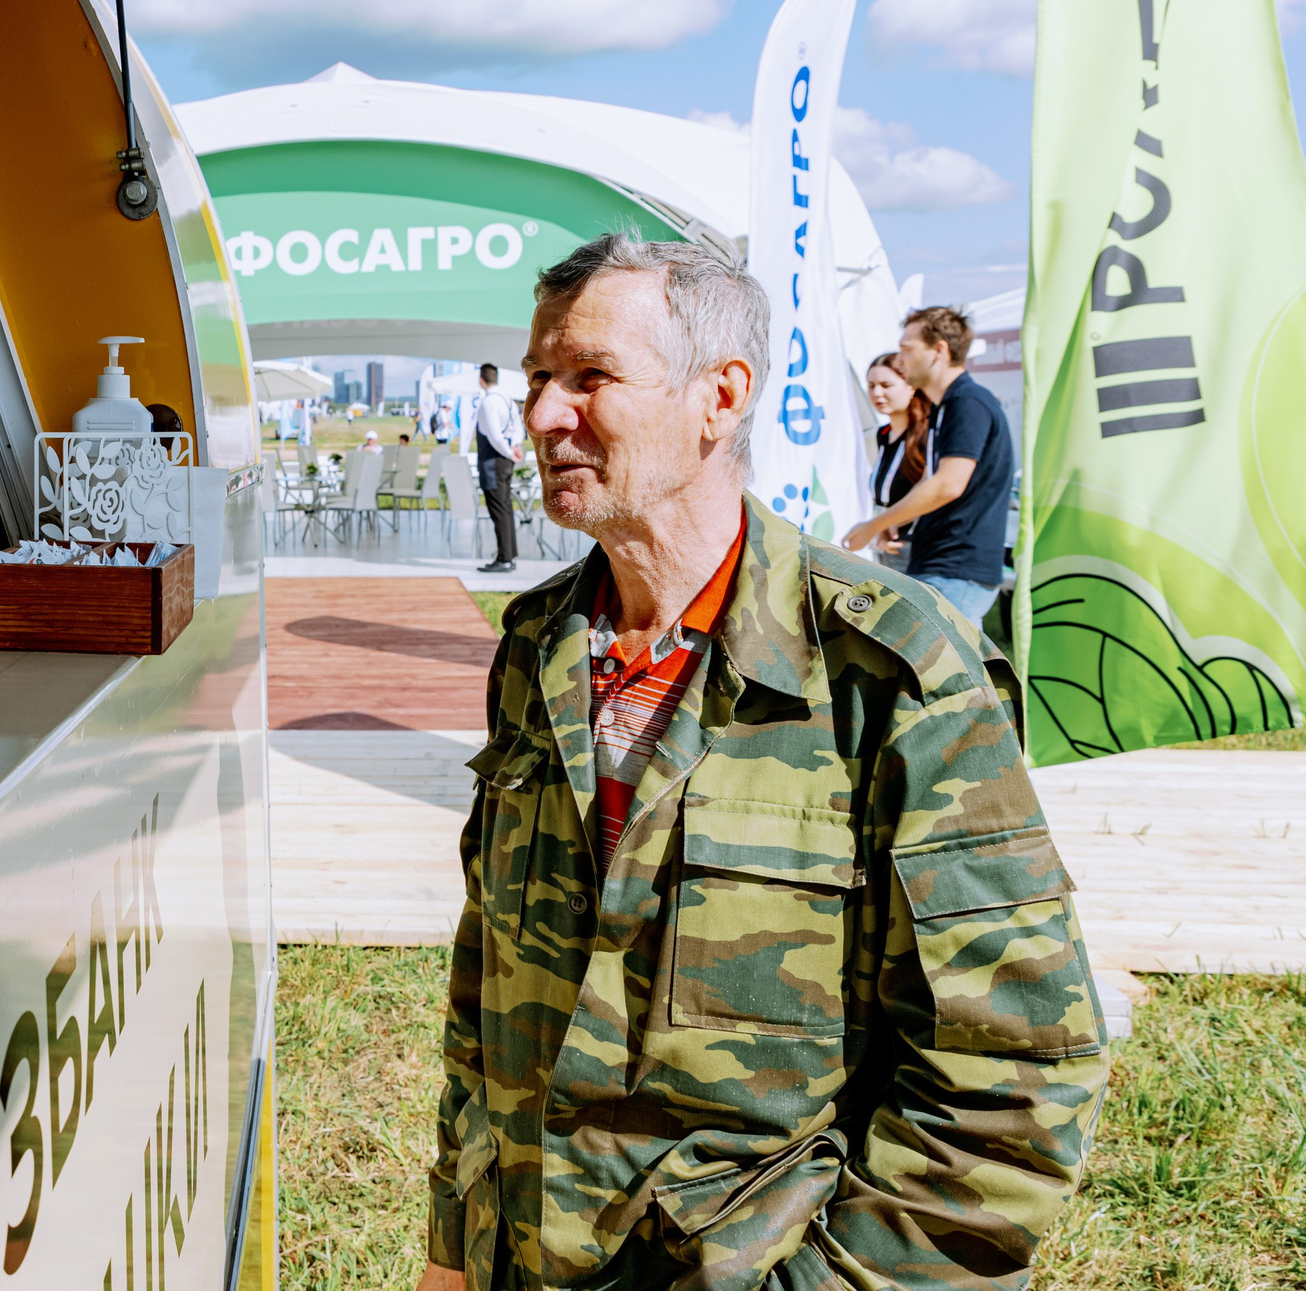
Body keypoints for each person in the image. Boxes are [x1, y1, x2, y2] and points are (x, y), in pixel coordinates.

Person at [422, 233, 1103, 1291]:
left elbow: (1007, 1074)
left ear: (720, 396)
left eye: (590, 376)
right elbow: (486, 990)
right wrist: (452, 1248)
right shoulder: (538, 647)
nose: (545, 413)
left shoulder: (889, 667)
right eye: (538, 378)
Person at [840, 306, 1013, 630]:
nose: (901, 359)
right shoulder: (948, 406)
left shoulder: (967, 402)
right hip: (939, 563)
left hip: (956, 568)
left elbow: (948, 484)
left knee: (947, 678)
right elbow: (934, 480)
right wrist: (897, 519)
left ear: (939, 351)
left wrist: (874, 524)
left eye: (907, 349)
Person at [862, 352, 931, 566]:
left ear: (911, 386)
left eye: (886, 385)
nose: (877, 393)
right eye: (871, 385)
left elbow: (931, 492)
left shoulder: (928, 434)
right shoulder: (883, 435)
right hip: (886, 546)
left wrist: (884, 524)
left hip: (918, 549)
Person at [471, 364, 523, 573]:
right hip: (505, 460)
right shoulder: (508, 400)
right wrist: (516, 446)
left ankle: (504, 558)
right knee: (506, 508)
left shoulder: (488, 402)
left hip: (493, 462)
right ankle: (510, 555)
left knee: (499, 510)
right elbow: (518, 427)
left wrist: (509, 452)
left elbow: (493, 435)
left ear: (481, 380)